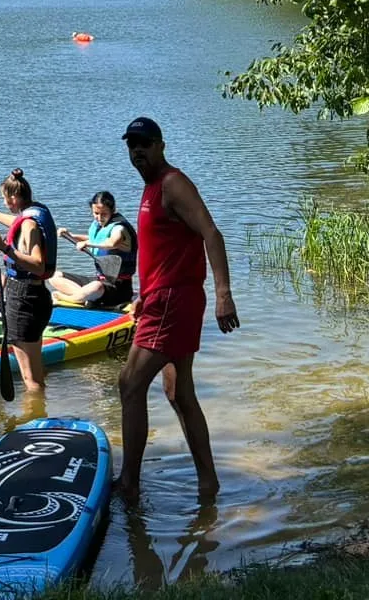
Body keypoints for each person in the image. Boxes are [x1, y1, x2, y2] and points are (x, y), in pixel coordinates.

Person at [114, 116, 240, 503]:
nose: (137, 152)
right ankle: (208, 483)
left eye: (144, 144)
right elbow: (163, 251)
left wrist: (223, 293)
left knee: (130, 384)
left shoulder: (172, 183)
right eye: (131, 146)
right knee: (178, 392)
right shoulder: (151, 188)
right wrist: (142, 294)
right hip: (162, 299)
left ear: (160, 145)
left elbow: (211, 233)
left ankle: (129, 484)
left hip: (173, 301)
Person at [0, 169, 57, 395]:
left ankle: (34, 419)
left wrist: (5, 248)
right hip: (37, 297)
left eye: (5, 200)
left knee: (30, 378)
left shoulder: (29, 225)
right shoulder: (37, 212)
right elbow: (18, 220)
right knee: (36, 371)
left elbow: (37, 263)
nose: (5, 204)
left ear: (13, 198)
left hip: (23, 299)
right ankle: (42, 410)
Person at [50, 190, 137, 309]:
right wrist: (70, 235)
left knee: (95, 286)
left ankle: (68, 298)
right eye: (96, 213)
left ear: (113, 210)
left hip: (119, 288)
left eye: (104, 214)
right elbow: (93, 238)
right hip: (101, 280)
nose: (99, 218)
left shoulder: (120, 228)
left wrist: (87, 243)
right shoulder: (101, 226)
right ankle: (83, 296)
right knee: (55, 276)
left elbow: (112, 242)